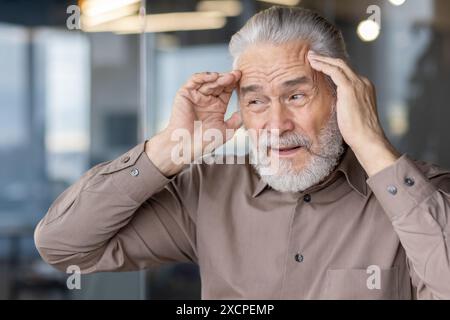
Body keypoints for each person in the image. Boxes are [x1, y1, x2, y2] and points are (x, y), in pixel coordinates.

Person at [34, 6, 450, 299]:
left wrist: (373, 147)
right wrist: (167, 148)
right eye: (256, 102)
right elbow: (63, 245)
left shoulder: (421, 198)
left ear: (344, 95)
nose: (276, 124)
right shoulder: (209, 191)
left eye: (297, 95)